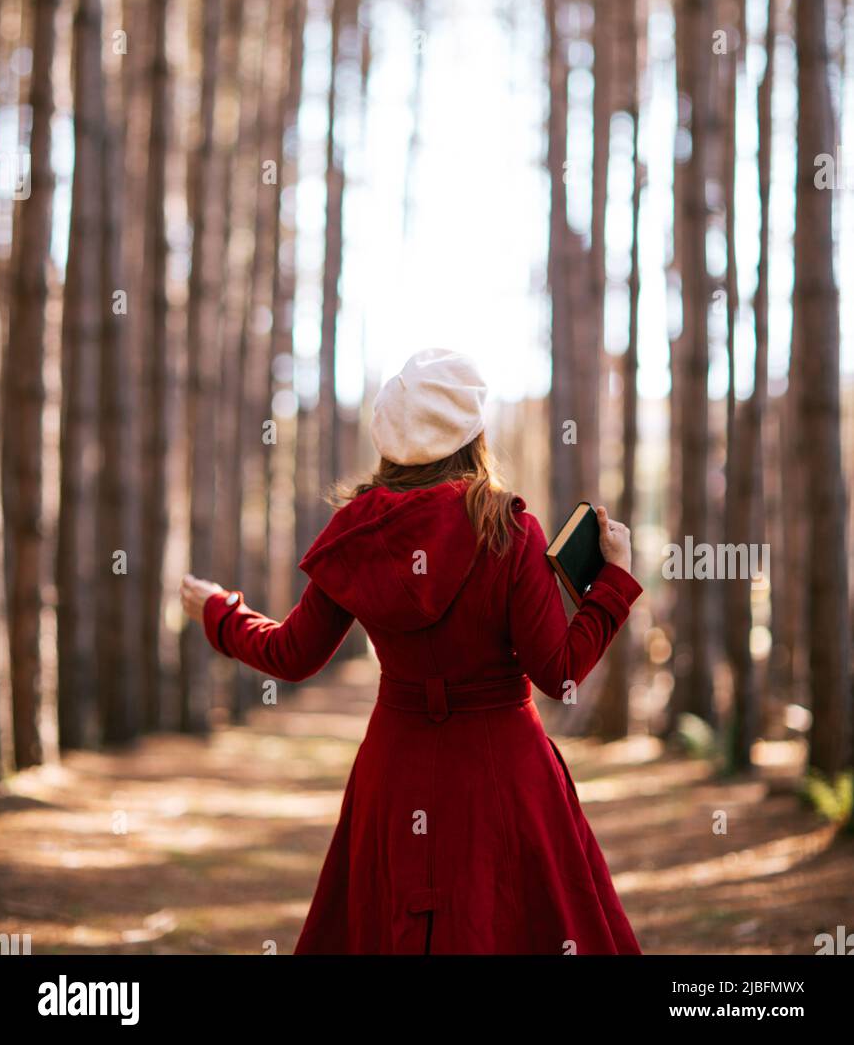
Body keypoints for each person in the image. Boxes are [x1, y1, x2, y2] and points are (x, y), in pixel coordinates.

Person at [181, 346, 643, 954]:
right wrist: (613, 582)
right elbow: (559, 674)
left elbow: (291, 654)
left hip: (395, 773)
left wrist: (220, 611)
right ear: (472, 434)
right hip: (503, 772)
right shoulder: (506, 529)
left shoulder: (356, 535)